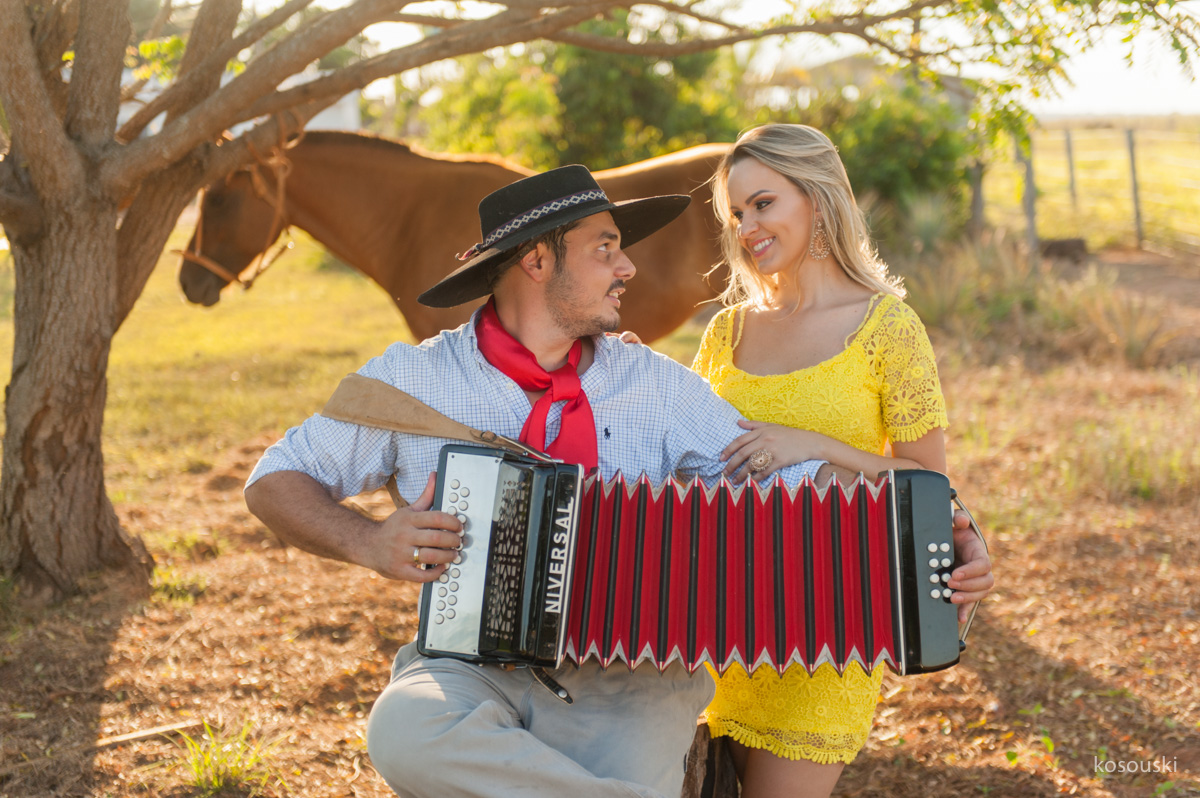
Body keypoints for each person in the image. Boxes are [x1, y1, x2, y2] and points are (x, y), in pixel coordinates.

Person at [243, 164, 993, 798]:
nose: (629, 267)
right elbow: (274, 479)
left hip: (636, 678)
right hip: (467, 667)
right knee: (404, 730)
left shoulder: (657, 386)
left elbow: (789, 485)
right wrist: (369, 541)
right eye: (605, 248)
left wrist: (929, 533)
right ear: (537, 262)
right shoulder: (413, 382)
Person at [689, 123, 971, 798]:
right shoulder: (726, 331)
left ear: (816, 198)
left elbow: (928, 488)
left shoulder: (888, 328)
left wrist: (814, 446)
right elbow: (684, 457)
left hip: (825, 639)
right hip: (712, 631)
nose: (747, 228)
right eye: (736, 213)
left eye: (763, 204)